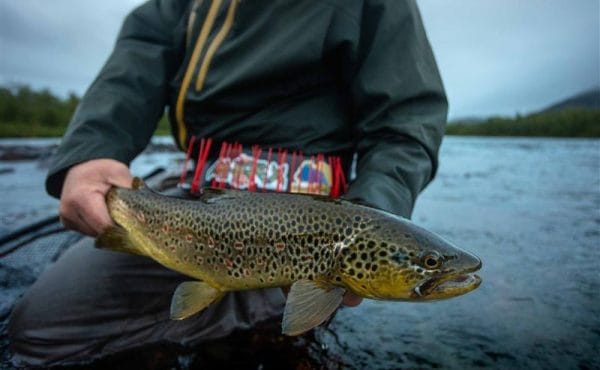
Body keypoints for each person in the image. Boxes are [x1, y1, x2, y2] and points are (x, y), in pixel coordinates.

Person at [8, 0, 447, 367]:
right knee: (40, 333)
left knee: (264, 346)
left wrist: (369, 209)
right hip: (199, 200)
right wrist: (92, 150)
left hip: (314, 218)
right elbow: (140, 56)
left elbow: (404, 127)